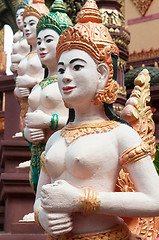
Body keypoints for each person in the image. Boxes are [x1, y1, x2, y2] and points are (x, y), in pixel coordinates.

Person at [34, 0, 159, 239]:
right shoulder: (55, 139)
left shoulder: (119, 134)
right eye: (60, 70)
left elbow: (155, 199)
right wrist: (43, 217)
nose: (65, 77)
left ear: (102, 74)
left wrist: (82, 200)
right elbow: (40, 200)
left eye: (76, 67)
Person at [24, 0, 73, 193]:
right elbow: (28, 121)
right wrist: (28, 134)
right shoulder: (39, 86)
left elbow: (80, 119)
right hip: (37, 153)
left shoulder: (69, 80)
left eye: (48, 40)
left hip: (63, 151)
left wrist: (49, 120)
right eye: (39, 42)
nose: (42, 46)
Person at [14, 0, 49, 131]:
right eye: (25, 24)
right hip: (26, 114)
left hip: (44, 111)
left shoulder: (47, 54)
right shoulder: (27, 56)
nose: (27, 28)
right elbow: (19, 86)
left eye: (32, 24)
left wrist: (32, 81)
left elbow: (54, 81)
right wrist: (18, 91)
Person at [10, 0, 30, 75]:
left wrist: (19, 58)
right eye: (17, 16)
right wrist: (12, 67)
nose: (18, 18)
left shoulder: (32, 35)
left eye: (22, 15)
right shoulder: (17, 36)